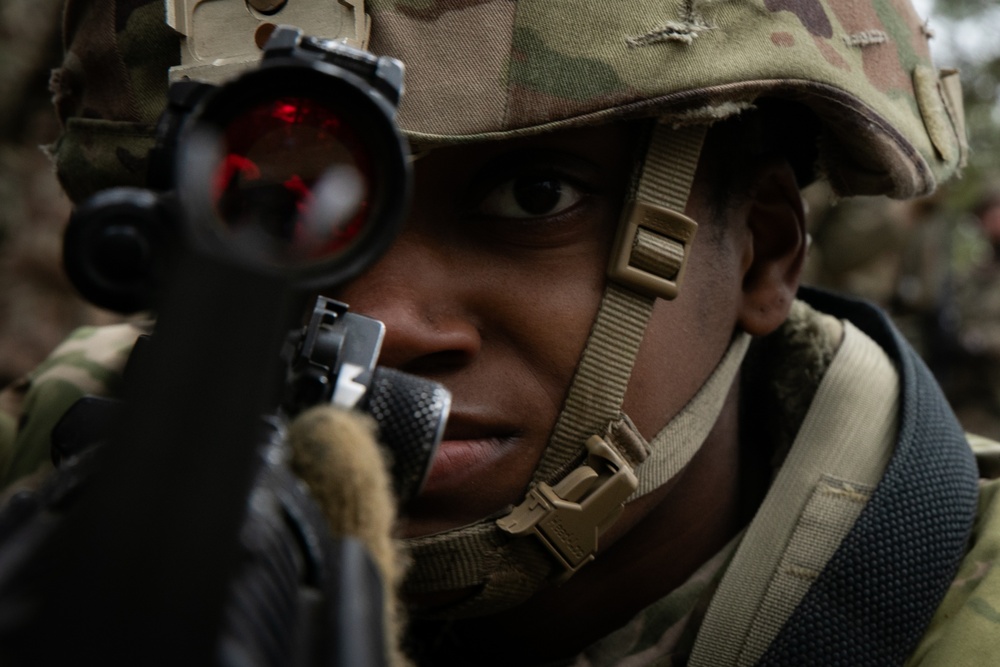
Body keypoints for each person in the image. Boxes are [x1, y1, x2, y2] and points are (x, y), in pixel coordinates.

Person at [1, 0, 998, 665]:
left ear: (763, 253)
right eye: (285, 199)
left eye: (534, 195)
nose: (382, 322)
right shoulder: (51, 456)